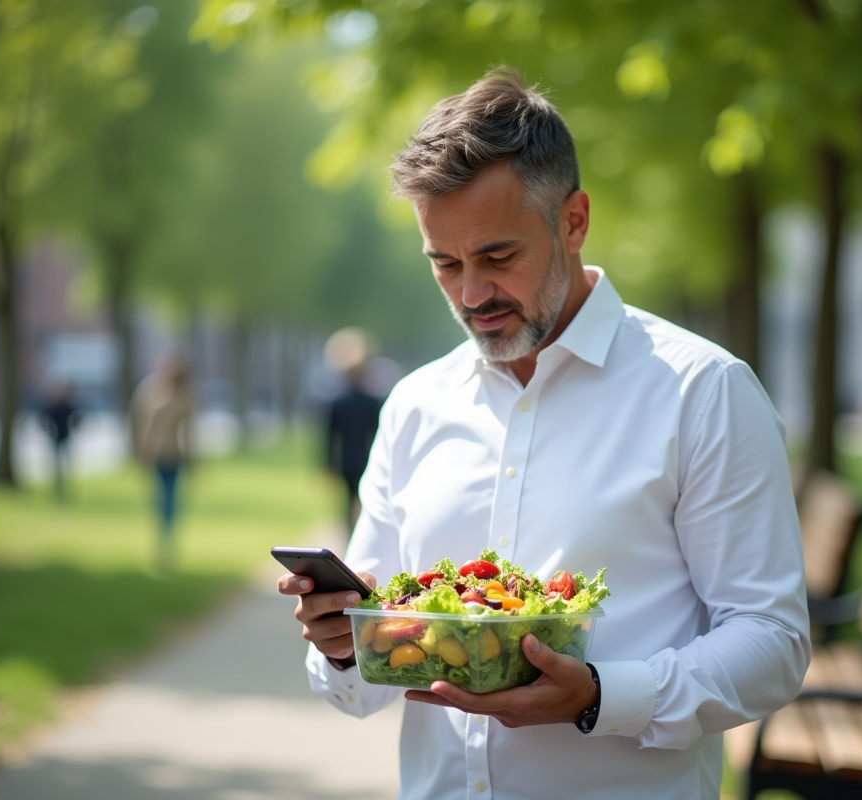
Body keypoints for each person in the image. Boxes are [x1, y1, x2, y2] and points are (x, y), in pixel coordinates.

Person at [279, 68, 810, 800]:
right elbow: (363, 685)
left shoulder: (701, 392)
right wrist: (345, 645)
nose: (470, 295)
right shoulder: (413, 406)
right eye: (444, 263)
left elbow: (772, 643)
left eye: (498, 257)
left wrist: (600, 695)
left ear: (574, 220)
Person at [130, 353, 196, 571]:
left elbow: (189, 432)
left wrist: (193, 458)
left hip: (173, 455)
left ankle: (166, 541)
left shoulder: (185, 396)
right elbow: (142, 422)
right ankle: (163, 540)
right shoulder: (152, 390)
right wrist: (141, 451)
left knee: (170, 500)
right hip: (157, 454)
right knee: (161, 499)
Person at [323, 327, 385, 533]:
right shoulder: (372, 402)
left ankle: (351, 535)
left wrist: (327, 463)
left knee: (349, 501)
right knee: (367, 501)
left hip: (346, 461)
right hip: (367, 459)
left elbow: (330, 437)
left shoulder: (337, 402)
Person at [39, 379, 80, 501]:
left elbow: (77, 417)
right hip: (55, 438)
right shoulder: (52, 406)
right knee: (56, 467)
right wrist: (48, 430)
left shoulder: (66, 406)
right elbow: (42, 419)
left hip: (65, 437)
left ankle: (67, 491)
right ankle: (57, 491)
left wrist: (73, 427)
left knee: (67, 466)